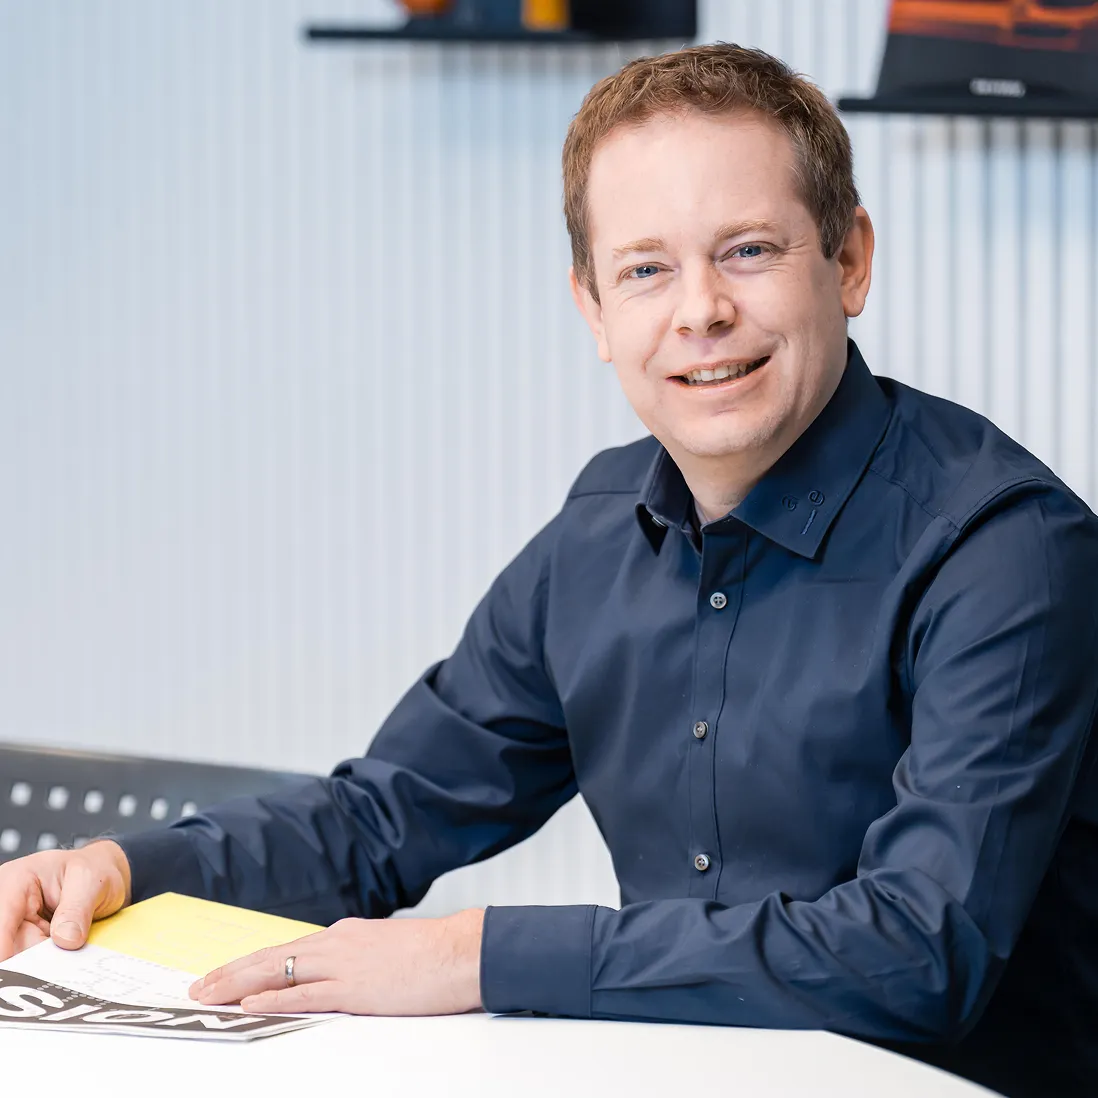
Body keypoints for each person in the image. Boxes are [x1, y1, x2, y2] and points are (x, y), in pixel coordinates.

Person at [1, 43, 1095, 1098]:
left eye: (749, 250)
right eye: (646, 269)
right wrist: (121, 867)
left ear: (849, 260)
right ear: (594, 309)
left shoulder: (1007, 552)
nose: (701, 309)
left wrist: (478, 958)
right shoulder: (597, 535)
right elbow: (386, 816)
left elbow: (915, 956)